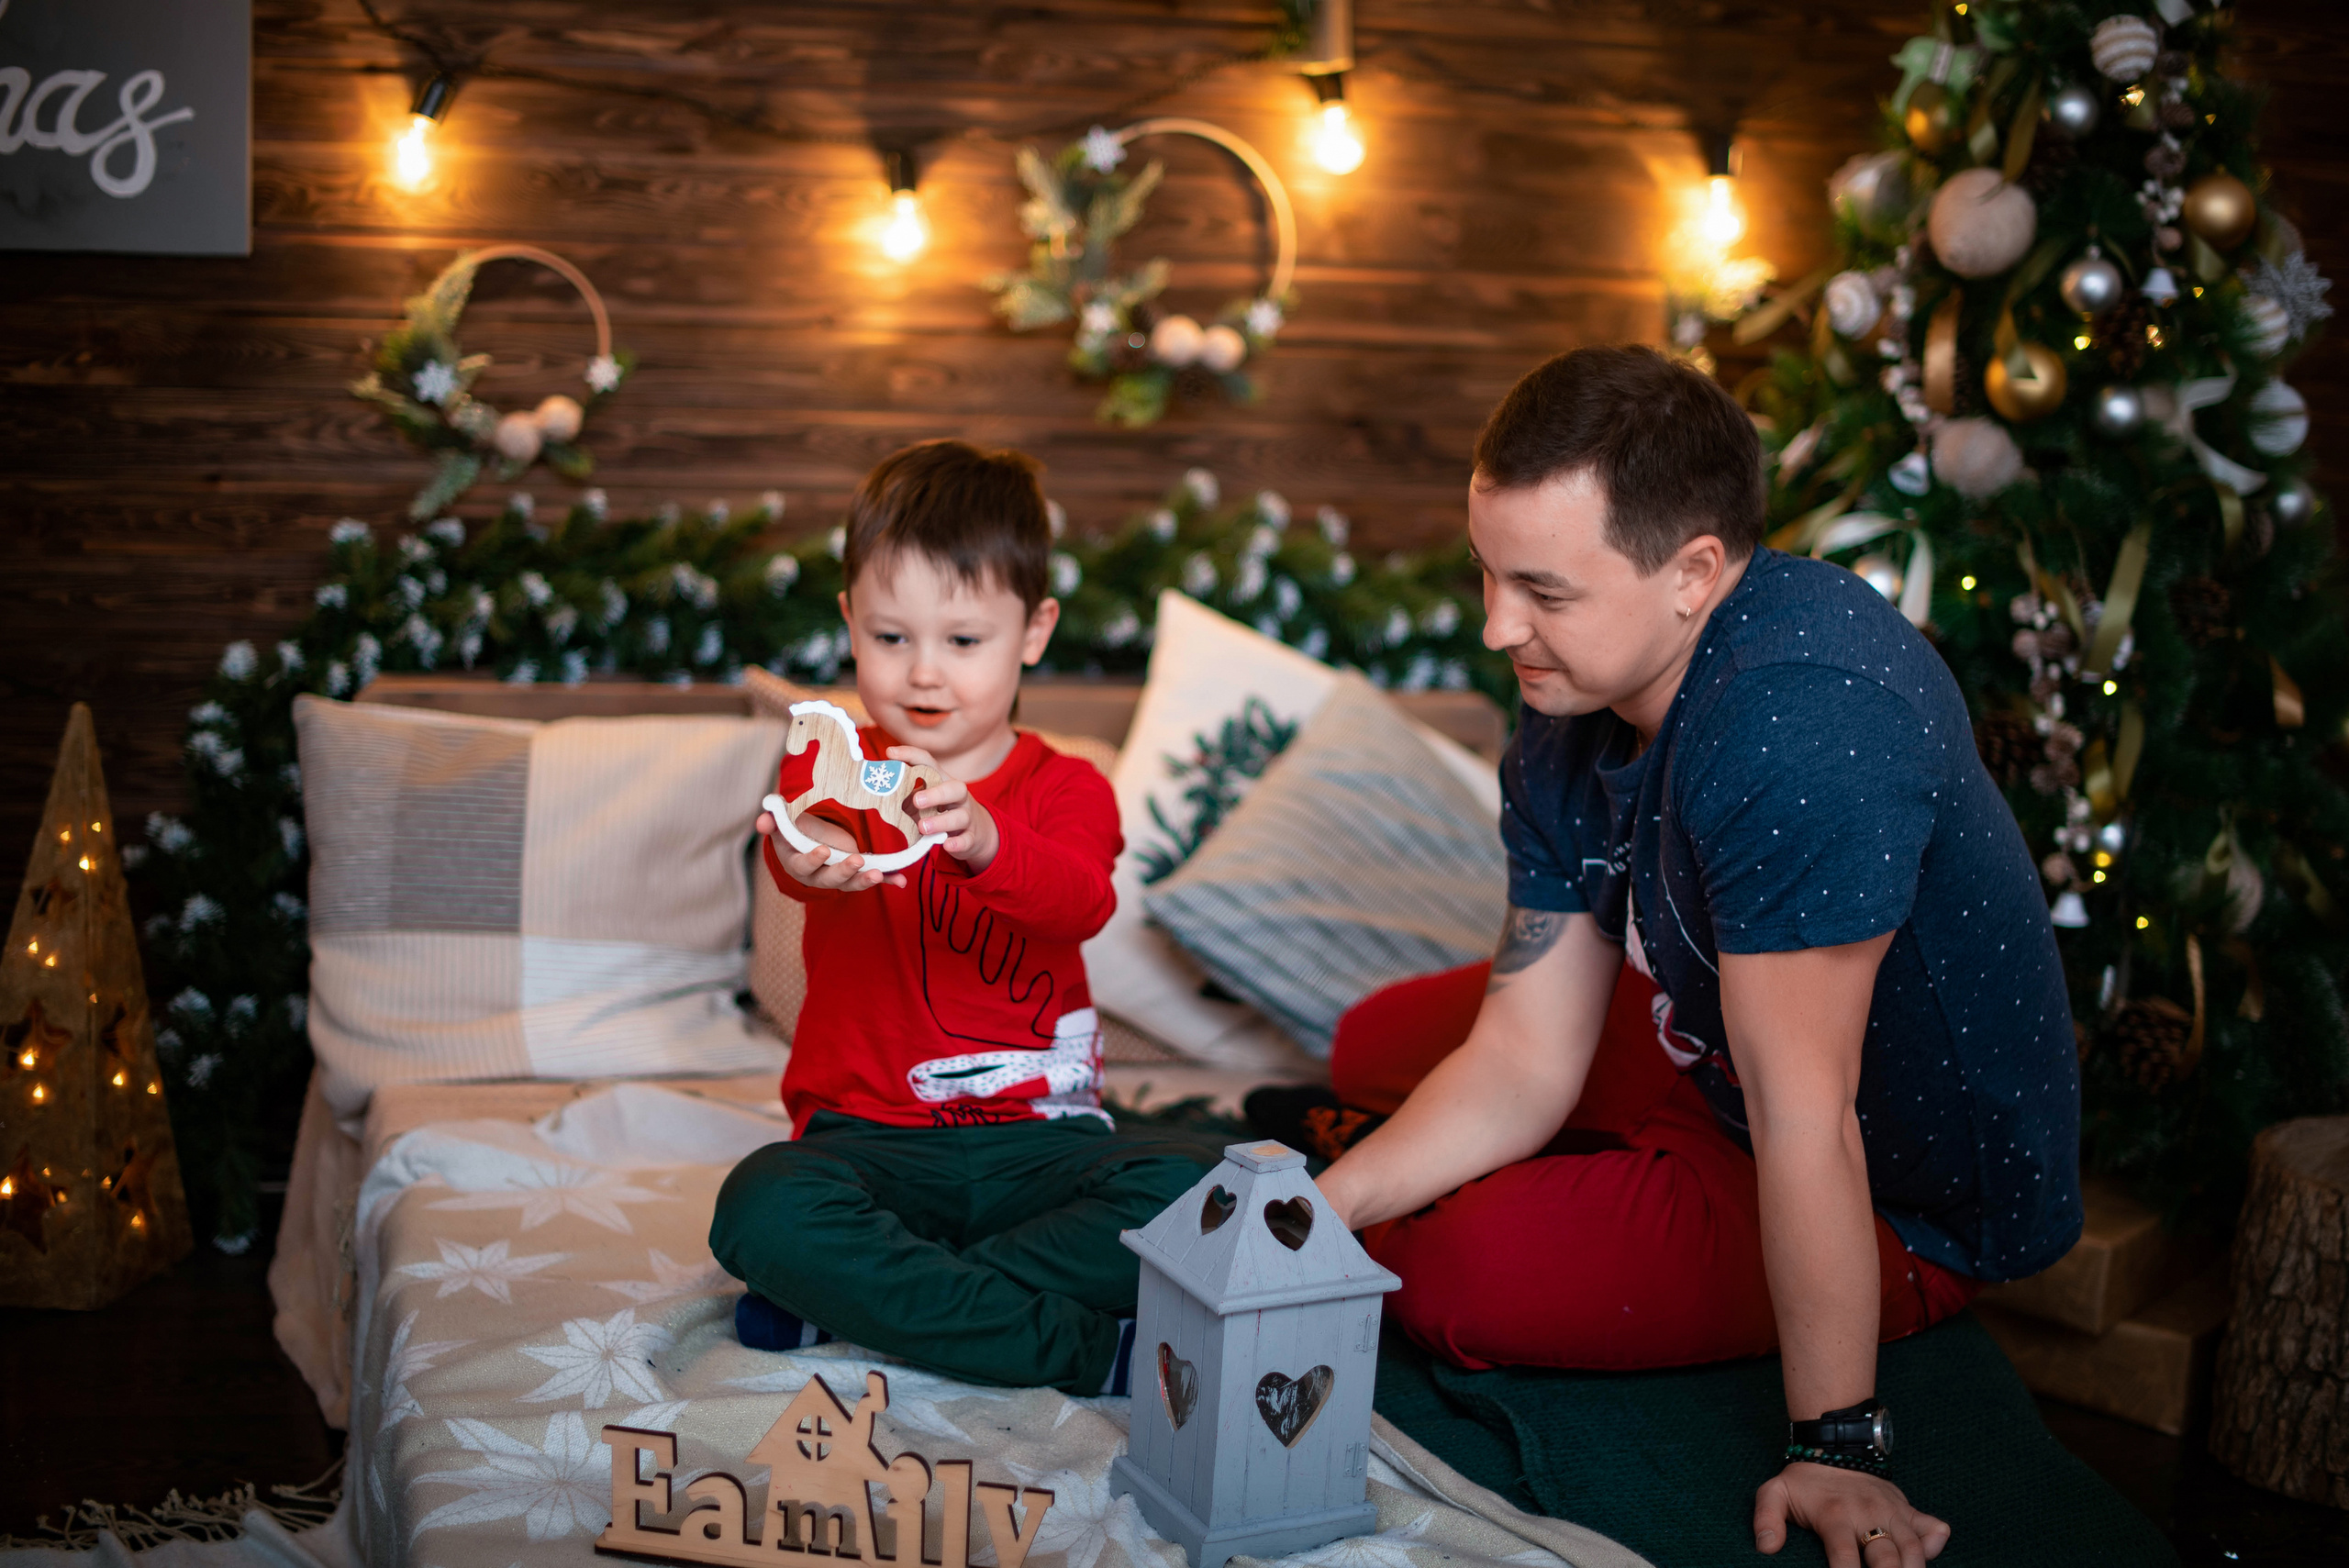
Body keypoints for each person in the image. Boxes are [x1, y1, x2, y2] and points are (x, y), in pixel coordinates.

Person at [1312, 346, 2083, 1568]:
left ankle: (1562, 1195)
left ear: (1695, 573)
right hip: (1711, 1030)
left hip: (1889, 1187)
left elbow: (1806, 1117)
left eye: (1543, 592)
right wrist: (1322, 1210)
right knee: (1375, 1042)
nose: (1496, 624)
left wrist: (1841, 1443)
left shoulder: (1804, 734)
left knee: (1464, 1276)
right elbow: (1523, 1049)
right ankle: (1477, 1174)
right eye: (1488, 572)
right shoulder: (1580, 677)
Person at [708, 439, 1215, 1395]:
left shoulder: (1068, 784)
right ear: (849, 619)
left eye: (963, 640)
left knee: (1201, 1192)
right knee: (759, 1209)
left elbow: (1081, 899)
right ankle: (1077, 1348)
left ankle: (871, 1300)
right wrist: (800, 852)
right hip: (869, 1143)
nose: (924, 675)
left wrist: (985, 837)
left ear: (1033, 630)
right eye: (891, 637)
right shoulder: (835, 761)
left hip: (1044, 1146)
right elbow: (795, 844)